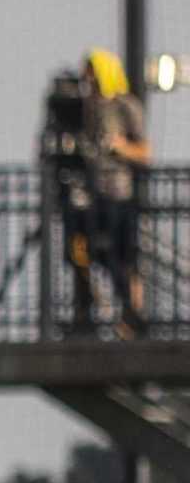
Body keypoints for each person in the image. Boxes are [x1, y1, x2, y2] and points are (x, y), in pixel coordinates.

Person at [83, 48, 151, 335]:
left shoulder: (125, 106)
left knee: (126, 257)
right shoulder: (87, 108)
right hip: (93, 194)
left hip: (121, 195)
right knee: (92, 251)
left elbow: (145, 151)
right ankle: (106, 311)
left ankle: (132, 316)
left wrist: (120, 147)